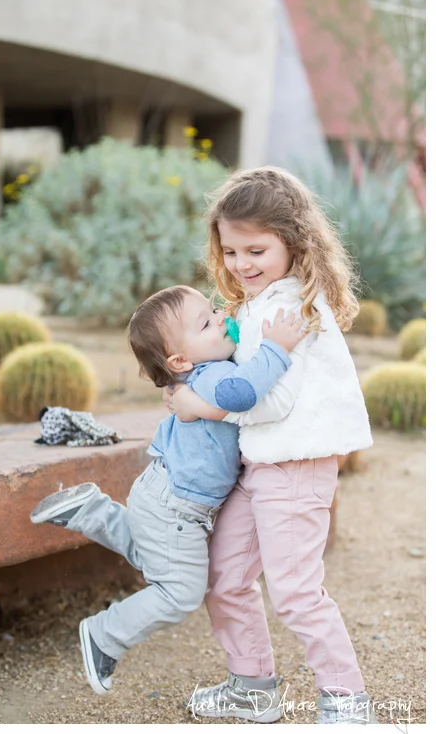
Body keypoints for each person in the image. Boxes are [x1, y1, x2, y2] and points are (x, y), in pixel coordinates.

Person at [164, 166, 373, 725]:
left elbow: (274, 403)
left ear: (294, 243)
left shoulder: (289, 309)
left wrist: (200, 404)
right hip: (260, 467)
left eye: (256, 249)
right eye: (230, 251)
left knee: (296, 591)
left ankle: (347, 701)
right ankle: (252, 686)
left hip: (297, 467)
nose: (241, 264)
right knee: (224, 574)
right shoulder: (260, 307)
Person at [30, 284, 304, 701]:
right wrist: (275, 348)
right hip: (175, 505)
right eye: (207, 322)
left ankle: (92, 512)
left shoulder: (201, 372)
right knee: (180, 592)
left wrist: (232, 326)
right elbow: (243, 393)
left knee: (158, 560)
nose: (220, 319)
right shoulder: (213, 376)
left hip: (165, 497)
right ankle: (105, 634)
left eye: (214, 311)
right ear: (179, 360)